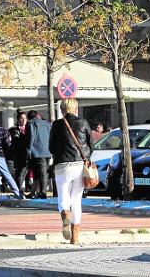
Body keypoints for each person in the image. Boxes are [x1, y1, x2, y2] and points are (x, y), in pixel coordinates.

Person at [49, 98, 92, 245]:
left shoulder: (56, 125)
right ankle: (75, 237)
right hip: (79, 165)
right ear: (76, 109)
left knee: (63, 197)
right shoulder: (83, 123)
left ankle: (65, 214)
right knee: (77, 199)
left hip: (62, 166)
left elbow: (51, 148)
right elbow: (91, 145)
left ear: (62, 110)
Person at [26, 110, 51, 199]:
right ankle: (34, 192)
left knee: (40, 173)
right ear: (37, 115)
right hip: (47, 151)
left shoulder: (31, 123)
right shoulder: (47, 123)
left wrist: (28, 150)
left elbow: (31, 137)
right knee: (42, 172)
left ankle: (42, 192)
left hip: (37, 151)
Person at [6, 111, 29, 191]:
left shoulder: (29, 129)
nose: (23, 120)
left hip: (27, 154)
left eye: (25, 118)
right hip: (17, 155)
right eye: (21, 118)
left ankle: (25, 190)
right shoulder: (13, 130)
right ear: (18, 119)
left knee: (24, 174)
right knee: (19, 174)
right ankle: (18, 191)